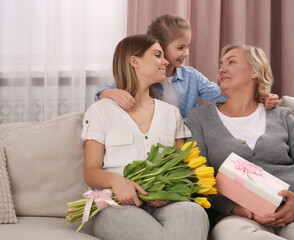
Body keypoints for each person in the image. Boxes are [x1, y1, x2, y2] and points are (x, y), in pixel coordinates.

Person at [186, 44, 294, 239]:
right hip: (240, 219)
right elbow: (198, 176)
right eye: (220, 65)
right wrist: (237, 208)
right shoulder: (200, 118)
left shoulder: (281, 115)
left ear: (255, 71)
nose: (221, 69)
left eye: (231, 62)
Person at [81, 34, 209, 240]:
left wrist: (167, 191)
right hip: (116, 206)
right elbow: (91, 172)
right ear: (134, 61)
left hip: (163, 206)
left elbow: (182, 168)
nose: (166, 61)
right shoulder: (101, 110)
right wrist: (117, 182)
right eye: (158, 55)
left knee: (194, 212)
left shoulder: (171, 113)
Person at [94, 14, 279, 118]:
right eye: (180, 47)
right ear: (159, 46)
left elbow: (223, 96)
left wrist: (261, 97)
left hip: (185, 144)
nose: (186, 53)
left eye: (188, 47)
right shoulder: (142, 77)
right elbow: (102, 93)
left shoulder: (191, 76)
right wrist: (112, 93)